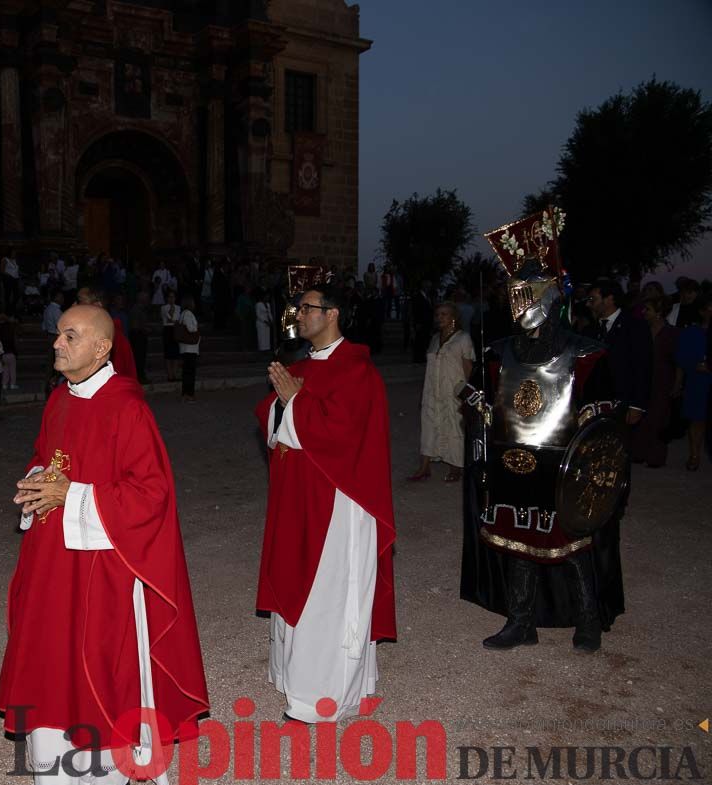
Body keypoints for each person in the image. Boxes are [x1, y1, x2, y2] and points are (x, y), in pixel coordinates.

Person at [0, 304, 209, 785]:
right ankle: (58, 770)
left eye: (70, 336)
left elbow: (151, 494)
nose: (57, 344)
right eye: (57, 334)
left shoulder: (127, 408)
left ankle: (107, 774)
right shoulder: (59, 400)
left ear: (101, 347)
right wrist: (37, 482)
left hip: (104, 565)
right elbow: (48, 457)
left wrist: (72, 494)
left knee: (95, 658)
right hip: (54, 558)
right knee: (53, 654)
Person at [460, 208, 625, 654]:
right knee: (517, 543)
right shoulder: (497, 354)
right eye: (513, 293)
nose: (519, 303)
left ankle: (587, 619)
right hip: (513, 462)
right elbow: (476, 403)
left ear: (550, 294)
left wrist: (587, 471)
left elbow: (602, 429)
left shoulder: (587, 355)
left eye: (527, 292)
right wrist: (481, 440)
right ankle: (521, 621)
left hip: (563, 467)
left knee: (573, 543)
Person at [256, 281, 396, 722]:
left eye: (307, 307)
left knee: (325, 592)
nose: (298, 314)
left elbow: (342, 432)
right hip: (299, 495)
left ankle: (322, 696)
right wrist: (284, 406)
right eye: (298, 307)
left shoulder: (357, 368)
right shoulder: (307, 365)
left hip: (339, 500)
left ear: (332, 314)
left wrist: (294, 402)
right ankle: (295, 675)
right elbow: (275, 418)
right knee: (297, 575)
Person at [408, 302, 475, 482]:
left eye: (444, 314)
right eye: (437, 315)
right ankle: (424, 466)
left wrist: (466, 393)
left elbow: (468, 367)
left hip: (453, 389)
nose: (440, 318)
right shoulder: (435, 339)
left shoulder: (463, 338)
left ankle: (456, 466)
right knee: (429, 424)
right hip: (432, 390)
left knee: (454, 425)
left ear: (454, 317)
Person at [588, 278, 652, 427]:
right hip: (595, 405)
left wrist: (637, 405)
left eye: (593, 299)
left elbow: (643, 367)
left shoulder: (634, 326)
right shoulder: (590, 330)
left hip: (623, 401)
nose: (589, 304)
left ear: (609, 299)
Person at [629, 297, 680, 467]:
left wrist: (677, 383)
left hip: (663, 379)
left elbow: (678, 362)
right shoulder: (641, 329)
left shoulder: (671, 333)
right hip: (643, 377)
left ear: (659, 313)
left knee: (658, 418)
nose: (644, 312)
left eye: (648, 309)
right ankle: (638, 452)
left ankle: (656, 456)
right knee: (640, 414)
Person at [676, 294, 711, 470]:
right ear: (702, 311)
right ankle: (695, 454)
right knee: (697, 420)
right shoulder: (692, 332)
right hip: (698, 381)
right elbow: (682, 358)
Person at [76, 286, 137, 382]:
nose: (75, 305)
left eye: (80, 301)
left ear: (96, 305)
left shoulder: (112, 336)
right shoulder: (92, 332)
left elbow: (117, 373)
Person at [177, 294, 199, 401]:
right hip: (190, 348)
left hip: (185, 347)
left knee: (186, 372)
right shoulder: (188, 314)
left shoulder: (182, 314)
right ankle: (189, 393)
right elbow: (191, 329)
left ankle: (185, 393)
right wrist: (197, 329)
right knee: (190, 372)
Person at [128, 290, 150, 383]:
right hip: (138, 337)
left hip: (139, 336)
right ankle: (139, 377)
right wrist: (144, 329)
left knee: (140, 358)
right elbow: (135, 326)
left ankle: (140, 376)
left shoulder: (141, 309)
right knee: (139, 358)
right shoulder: (136, 310)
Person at [160, 289, 181, 381]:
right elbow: (170, 319)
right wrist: (171, 311)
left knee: (176, 353)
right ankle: (170, 375)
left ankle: (175, 374)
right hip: (168, 330)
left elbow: (177, 320)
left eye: (173, 297)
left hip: (175, 329)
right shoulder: (164, 307)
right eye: (170, 297)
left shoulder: (178, 307)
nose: (171, 299)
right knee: (168, 354)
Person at [254, 287, 273, 352]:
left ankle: (267, 349)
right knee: (261, 337)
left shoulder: (268, 304)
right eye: (267, 296)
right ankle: (261, 350)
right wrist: (265, 321)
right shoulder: (258, 304)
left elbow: (269, 313)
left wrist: (271, 321)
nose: (268, 298)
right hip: (261, 323)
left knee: (267, 338)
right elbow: (258, 315)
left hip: (267, 322)